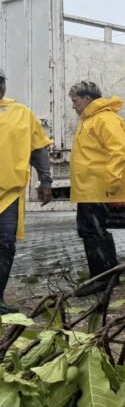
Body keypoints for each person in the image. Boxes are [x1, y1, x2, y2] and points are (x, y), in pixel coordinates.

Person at [69, 81, 125, 296]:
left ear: (87, 99)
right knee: (91, 230)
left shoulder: (103, 119)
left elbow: (118, 150)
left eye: (75, 100)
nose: (73, 105)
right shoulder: (91, 119)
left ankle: (102, 278)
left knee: (93, 230)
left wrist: (112, 180)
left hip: (97, 187)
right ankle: (106, 276)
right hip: (90, 187)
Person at [0, 68, 53, 314]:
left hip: (8, 194)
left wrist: (46, 181)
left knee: (5, 244)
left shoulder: (21, 114)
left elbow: (38, 149)